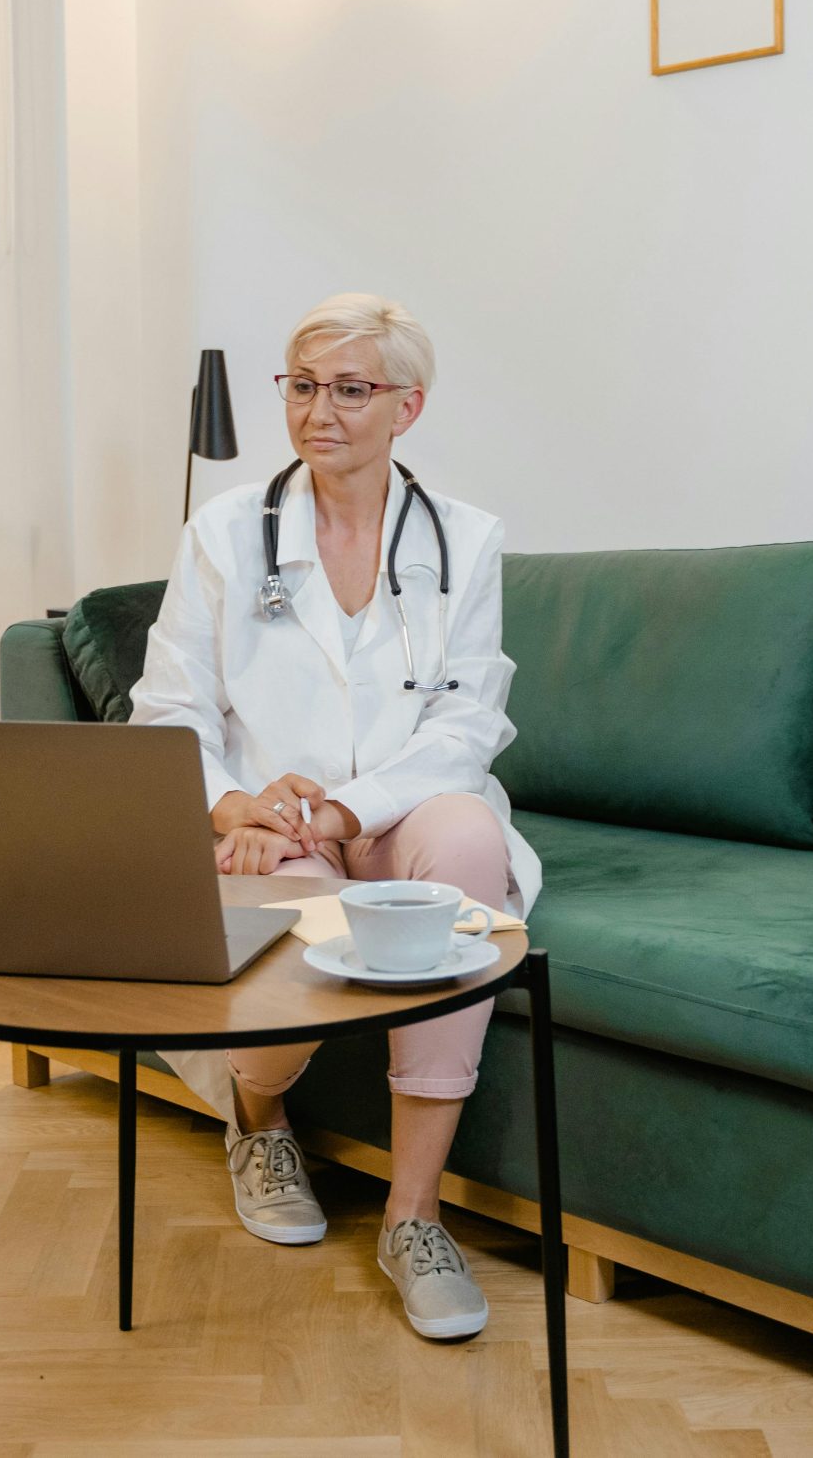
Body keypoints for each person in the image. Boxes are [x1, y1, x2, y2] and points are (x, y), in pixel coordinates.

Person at [127, 293, 540, 1340]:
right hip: (268, 824)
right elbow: (169, 711)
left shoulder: (466, 540)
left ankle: (413, 1216)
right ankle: (256, 1114)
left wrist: (348, 809)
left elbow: (465, 722)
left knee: (467, 843)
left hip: (395, 809)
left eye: (352, 389)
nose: (321, 411)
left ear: (407, 406)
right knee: (299, 912)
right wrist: (237, 804)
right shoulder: (225, 534)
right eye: (304, 386)